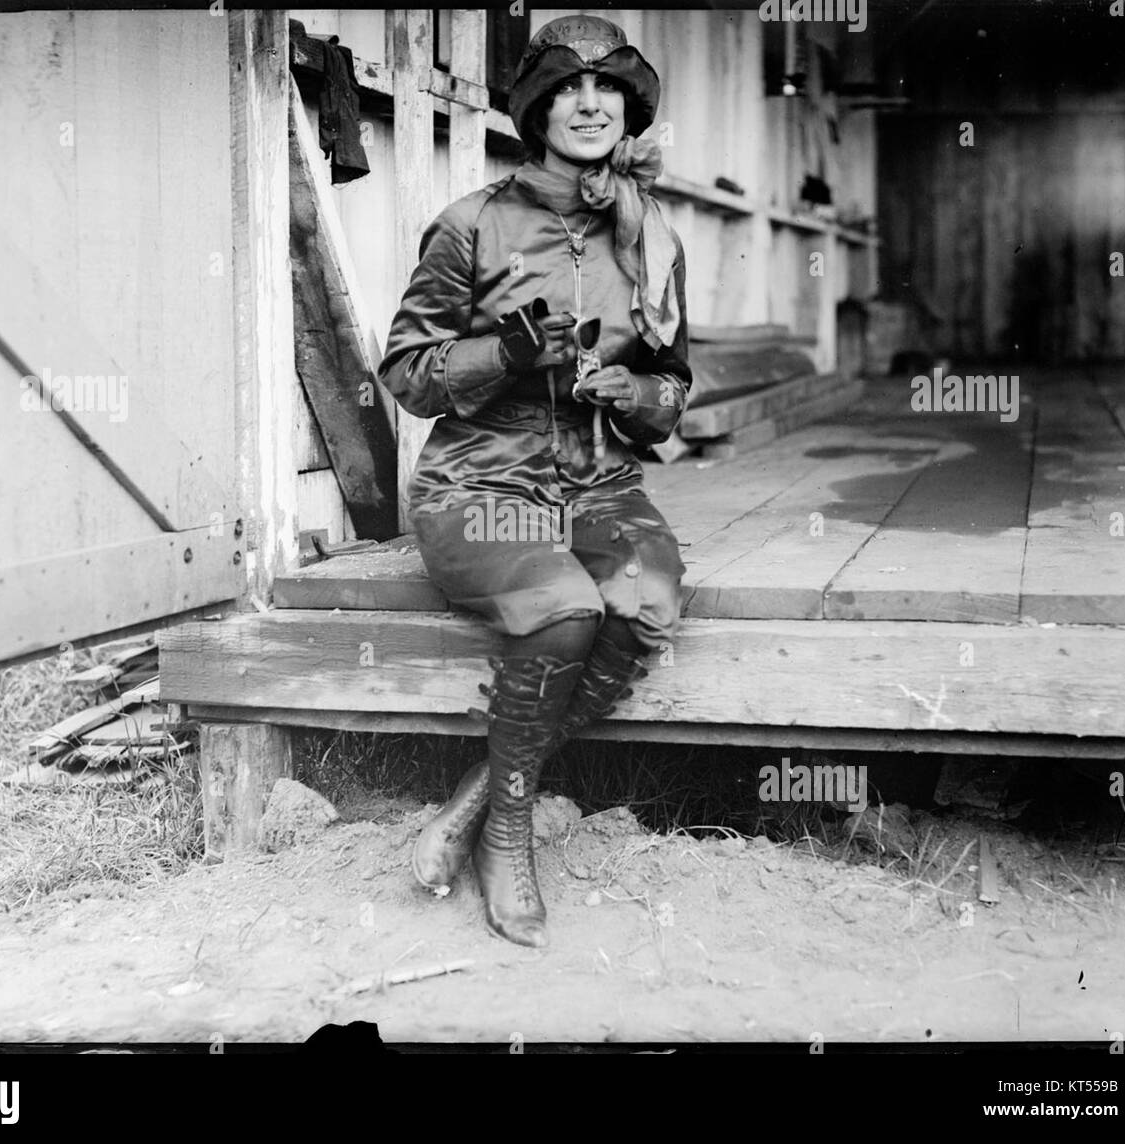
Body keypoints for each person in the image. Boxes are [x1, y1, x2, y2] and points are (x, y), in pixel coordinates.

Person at [377, 15, 690, 948]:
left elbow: (675, 387)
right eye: (567, 88)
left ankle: (472, 806)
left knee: (645, 599)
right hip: (480, 483)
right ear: (537, 106)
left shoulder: (653, 235)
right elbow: (404, 372)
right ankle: (508, 836)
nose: (590, 105)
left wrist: (637, 389)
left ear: (628, 109)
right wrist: (502, 353)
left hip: (598, 482)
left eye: (608, 92)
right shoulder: (474, 223)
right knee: (564, 610)